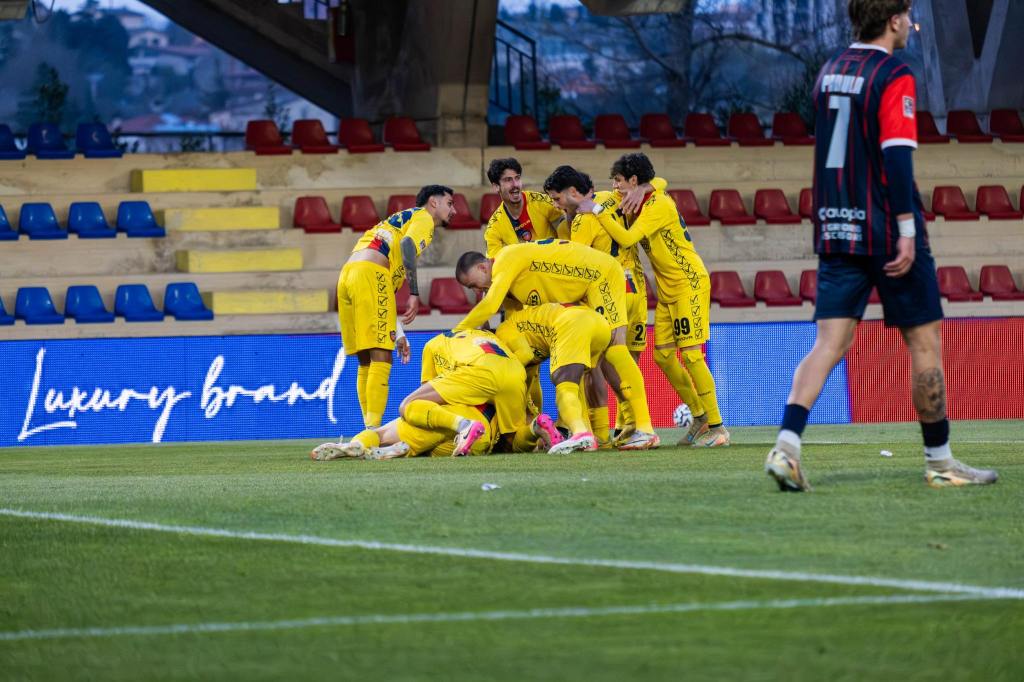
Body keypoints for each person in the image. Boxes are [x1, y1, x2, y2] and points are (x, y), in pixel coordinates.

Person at [765, 0, 997, 490]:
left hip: (834, 223)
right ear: (893, 20)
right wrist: (907, 230)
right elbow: (895, 160)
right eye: (908, 16)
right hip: (886, 229)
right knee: (924, 342)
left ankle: (786, 445)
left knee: (829, 343)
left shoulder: (829, 70)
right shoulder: (893, 74)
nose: (912, 24)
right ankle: (940, 461)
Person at [577, 154, 729, 447]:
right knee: (662, 356)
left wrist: (596, 209)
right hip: (668, 290)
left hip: (689, 284)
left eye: (619, 181)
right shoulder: (644, 196)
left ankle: (717, 427)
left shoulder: (659, 205)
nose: (615, 186)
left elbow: (628, 237)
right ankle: (698, 416)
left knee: (693, 355)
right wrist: (643, 188)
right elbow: (658, 181)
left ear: (633, 180)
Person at [454, 239, 659, 450]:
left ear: (482, 267)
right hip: (581, 297)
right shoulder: (511, 287)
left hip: (599, 275)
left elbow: (489, 305)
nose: (477, 290)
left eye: (473, 284)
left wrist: (459, 331)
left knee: (615, 349)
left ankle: (645, 428)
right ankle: (592, 434)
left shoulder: (505, 258)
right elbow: (514, 321)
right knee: (587, 365)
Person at [544, 166, 662, 445]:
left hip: (610, 293)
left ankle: (623, 428)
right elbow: (657, 183)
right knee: (623, 360)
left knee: (604, 364)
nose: (555, 206)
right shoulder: (612, 196)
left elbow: (577, 267)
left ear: (573, 193)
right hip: (636, 289)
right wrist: (645, 187)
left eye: (557, 199)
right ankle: (630, 426)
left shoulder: (583, 222)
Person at [335, 185, 455, 430]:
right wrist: (413, 293)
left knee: (366, 360)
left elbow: (382, 295)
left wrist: (397, 332)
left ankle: (368, 428)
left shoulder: (399, 220)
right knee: (382, 356)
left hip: (349, 275)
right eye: (450, 203)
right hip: (371, 273)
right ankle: (373, 432)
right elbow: (408, 244)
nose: (454, 210)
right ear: (433, 202)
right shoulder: (424, 218)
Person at [496, 302, 613, 454]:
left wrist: (505, 373)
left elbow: (526, 355)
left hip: (572, 323)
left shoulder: (503, 331)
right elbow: (531, 387)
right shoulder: (524, 327)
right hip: (600, 324)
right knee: (576, 386)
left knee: (563, 385)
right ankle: (588, 437)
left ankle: (579, 433)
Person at [483, 157, 567, 257]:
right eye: (508, 180)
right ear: (496, 187)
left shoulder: (541, 201)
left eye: (517, 178)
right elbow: (494, 263)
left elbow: (566, 231)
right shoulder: (494, 227)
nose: (515, 185)